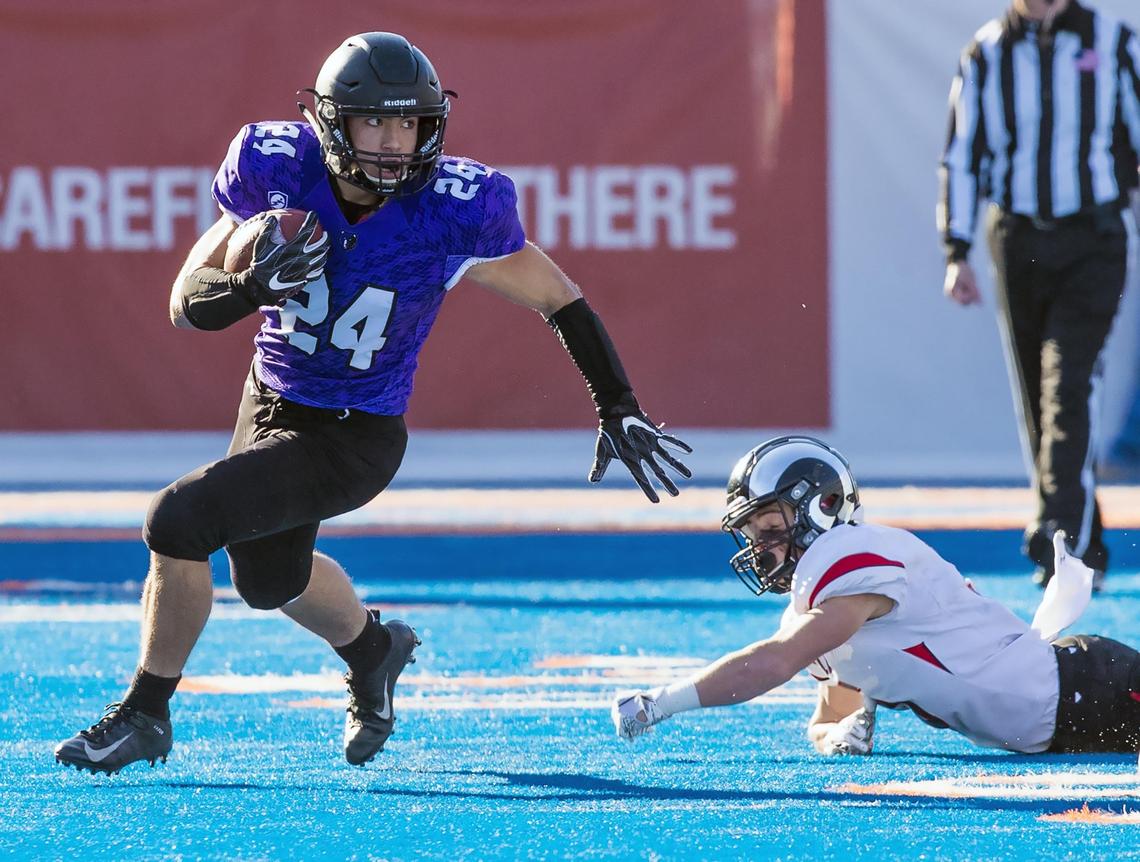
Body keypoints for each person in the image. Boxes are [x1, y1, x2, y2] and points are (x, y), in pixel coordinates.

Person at [54, 31, 691, 775]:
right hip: (270, 401)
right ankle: (374, 650)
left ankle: (146, 713)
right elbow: (186, 303)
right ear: (332, 123)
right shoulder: (278, 169)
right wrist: (249, 287)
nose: (394, 142)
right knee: (269, 582)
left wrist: (616, 402)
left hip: (356, 434)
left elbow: (558, 297)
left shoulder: (455, 209)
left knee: (178, 520)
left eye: (409, 122)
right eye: (375, 122)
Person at [612, 436, 1139, 755]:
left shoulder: (849, 559)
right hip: (1064, 718)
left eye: (770, 527)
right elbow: (827, 714)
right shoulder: (819, 608)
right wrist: (836, 737)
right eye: (753, 535)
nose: (762, 548)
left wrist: (665, 702)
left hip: (1093, 687)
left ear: (822, 507)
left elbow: (772, 664)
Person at [938, 0, 1140, 590]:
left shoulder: (1111, 41)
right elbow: (961, 154)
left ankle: (1061, 542)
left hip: (1093, 236)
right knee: (1036, 396)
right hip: (1019, 237)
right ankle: (1081, 537)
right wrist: (956, 249)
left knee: (1071, 384)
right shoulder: (986, 51)